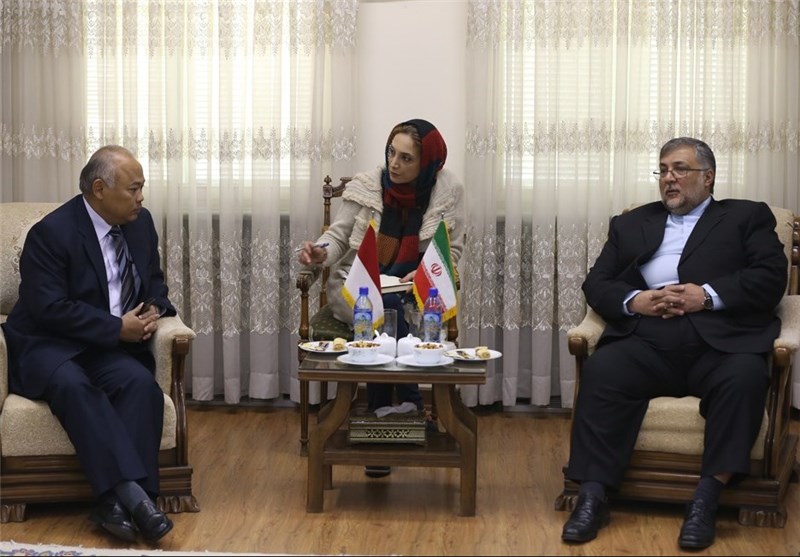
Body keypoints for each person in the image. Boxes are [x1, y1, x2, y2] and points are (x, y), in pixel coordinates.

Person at [561, 137, 787, 550]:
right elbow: (597, 283)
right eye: (663, 170)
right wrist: (635, 301)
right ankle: (592, 496)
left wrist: (708, 296)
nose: (669, 178)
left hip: (720, 342)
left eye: (680, 169)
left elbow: (771, 278)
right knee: (604, 370)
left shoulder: (746, 216)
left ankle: (705, 499)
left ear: (708, 177)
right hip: (649, 339)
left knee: (745, 377)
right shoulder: (631, 222)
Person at [2, 145, 177, 543]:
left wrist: (153, 308)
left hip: (103, 347)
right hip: (48, 344)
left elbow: (154, 280)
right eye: (133, 189)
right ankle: (138, 499)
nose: (141, 197)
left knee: (140, 386)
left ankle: (117, 504)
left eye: (142, 188)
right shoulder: (51, 233)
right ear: (99, 189)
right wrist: (116, 328)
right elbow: (49, 308)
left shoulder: (140, 223)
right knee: (75, 388)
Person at [297, 118, 466, 477]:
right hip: (356, 286)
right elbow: (337, 237)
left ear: (428, 164)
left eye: (406, 158)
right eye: (392, 153)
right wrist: (320, 252)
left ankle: (380, 422)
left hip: (414, 290)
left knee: (394, 308)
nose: (394, 163)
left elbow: (452, 252)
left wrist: (423, 272)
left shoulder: (447, 193)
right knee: (383, 308)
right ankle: (409, 403)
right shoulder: (368, 187)